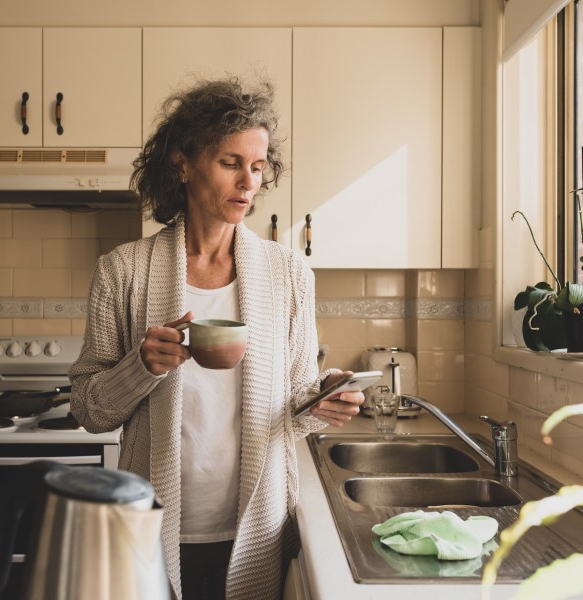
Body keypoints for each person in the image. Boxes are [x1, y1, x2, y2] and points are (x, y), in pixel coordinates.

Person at [68, 76, 364, 600]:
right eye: (231, 163)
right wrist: (142, 366)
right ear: (183, 163)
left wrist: (324, 400)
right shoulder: (123, 271)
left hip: (257, 526)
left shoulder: (288, 274)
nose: (248, 183)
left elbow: (294, 408)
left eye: (257, 166)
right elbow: (90, 410)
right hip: (152, 524)